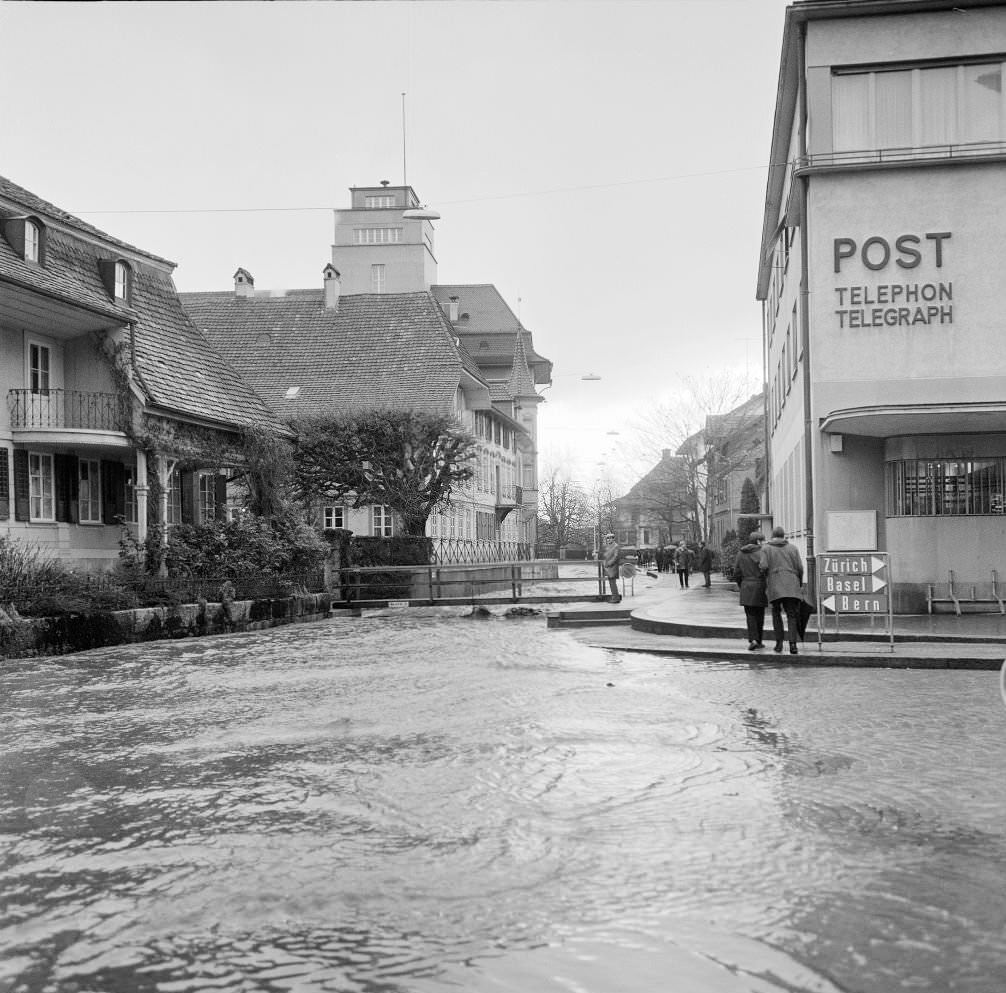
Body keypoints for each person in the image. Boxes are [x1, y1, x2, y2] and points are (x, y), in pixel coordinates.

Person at [759, 525, 805, 655]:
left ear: (773, 536)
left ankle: (779, 644)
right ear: (784, 536)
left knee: (776, 613)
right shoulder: (793, 548)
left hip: (775, 585)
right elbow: (800, 568)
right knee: (792, 614)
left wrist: (766, 576)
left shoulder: (766, 549)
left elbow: (763, 566)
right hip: (792, 584)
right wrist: (799, 582)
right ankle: (793, 645)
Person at [734, 531, 767, 650]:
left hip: (746, 586)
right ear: (758, 541)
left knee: (750, 614)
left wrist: (741, 584)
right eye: (762, 540)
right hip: (759, 586)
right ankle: (758, 640)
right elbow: (765, 569)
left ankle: (753, 639)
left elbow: (736, 572)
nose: (763, 543)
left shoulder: (741, 553)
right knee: (760, 614)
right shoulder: (761, 553)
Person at [602, 533, 622, 603]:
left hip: (613, 567)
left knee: (613, 583)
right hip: (609, 568)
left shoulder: (616, 546)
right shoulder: (608, 546)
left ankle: (615, 598)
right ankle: (614, 597)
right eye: (607, 538)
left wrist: (609, 563)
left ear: (613, 539)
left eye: (610, 538)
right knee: (611, 583)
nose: (609, 539)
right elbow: (606, 555)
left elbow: (616, 557)